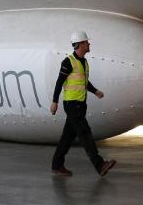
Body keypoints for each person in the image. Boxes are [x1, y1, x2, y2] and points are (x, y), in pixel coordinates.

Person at [49, 31, 116, 177]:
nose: (89, 44)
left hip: (80, 104)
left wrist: (95, 91)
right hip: (72, 104)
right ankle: (100, 165)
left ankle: (57, 165)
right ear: (80, 44)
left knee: (67, 137)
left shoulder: (84, 62)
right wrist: (55, 102)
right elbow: (59, 82)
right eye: (86, 42)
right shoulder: (68, 62)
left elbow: (83, 82)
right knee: (85, 133)